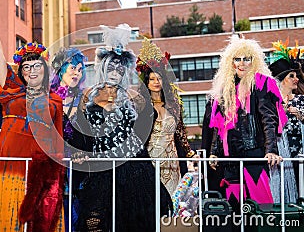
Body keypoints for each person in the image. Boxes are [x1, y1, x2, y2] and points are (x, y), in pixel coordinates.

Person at [70, 24, 171, 232]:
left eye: (119, 68)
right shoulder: (88, 96)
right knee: (94, 221)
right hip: (102, 167)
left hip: (133, 168)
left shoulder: (135, 99)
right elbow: (82, 132)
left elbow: (144, 131)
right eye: (111, 67)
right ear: (102, 68)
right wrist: (79, 152)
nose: (115, 72)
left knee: (134, 220)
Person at [0, 0, 65, 232]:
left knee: (40, 219)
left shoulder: (55, 100)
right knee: (9, 219)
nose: (31, 70)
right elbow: (0, 60)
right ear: (21, 72)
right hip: (9, 161)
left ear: (45, 70)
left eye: (37, 65)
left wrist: (56, 174)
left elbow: (58, 137)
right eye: (26, 67)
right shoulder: (12, 91)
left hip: (39, 167)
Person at [203, 37, 287, 212]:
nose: (242, 63)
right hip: (230, 160)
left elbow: (269, 119)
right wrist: (213, 153)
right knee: (235, 211)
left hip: (254, 156)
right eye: (237, 58)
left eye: (246, 58)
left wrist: (271, 150)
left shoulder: (262, 83)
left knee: (261, 209)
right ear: (231, 62)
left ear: (253, 60)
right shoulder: (224, 88)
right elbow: (219, 126)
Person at [136, 38, 196, 196]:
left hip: (172, 160)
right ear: (146, 82)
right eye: (152, 79)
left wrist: (189, 152)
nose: (156, 82)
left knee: (173, 199)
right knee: (152, 198)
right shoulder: (141, 105)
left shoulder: (173, 104)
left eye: (159, 78)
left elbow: (181, 132)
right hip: (150, 158)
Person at [50, 47, 87, 231]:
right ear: (62, 69)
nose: (77, 73)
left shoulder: (84, 99)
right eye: (73, 68)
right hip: (53, 164)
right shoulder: (48, 97)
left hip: (77, 169)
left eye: (80, 69)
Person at [268, 39, 303, 203]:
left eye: (296, 76)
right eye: (292, 76)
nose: (296, 79)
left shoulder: (301, 101)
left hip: (300, 156)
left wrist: (301, 116)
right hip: (280, 156)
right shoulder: (270, 102)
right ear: (281, 79)